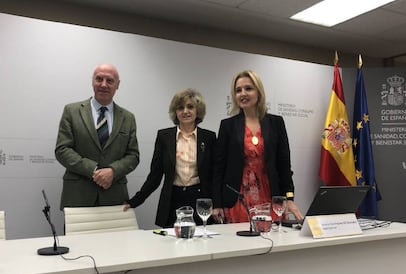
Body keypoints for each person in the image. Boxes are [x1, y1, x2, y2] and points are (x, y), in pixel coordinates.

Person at [212, 69, 303, 224]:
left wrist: (289, 198)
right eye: (238, 90)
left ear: (258, 92)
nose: (243, 94)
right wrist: (217, 204)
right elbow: (218, 169)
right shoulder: (228, 126)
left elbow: (284, 165)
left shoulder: (276, 123)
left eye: (248, 88)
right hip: (238, 198)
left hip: (270, 196)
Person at [124, 88, 216, 228]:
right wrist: (135, 201)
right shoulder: (164, 137)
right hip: (173, 199)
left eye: (190, 107)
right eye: (180, 108)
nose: (185, 111)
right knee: (172, 245)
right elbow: (155, 175)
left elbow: (215, 175)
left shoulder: (209, 137)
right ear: (175, 112)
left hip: (200, 200)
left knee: (201, 243)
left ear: (198, 110)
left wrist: (219, 204)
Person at [55, 63, 140, 209]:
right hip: (78, 195)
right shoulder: (72, 111)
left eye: (110, 80)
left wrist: (113, 171)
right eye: (99, 79)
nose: (104, 84)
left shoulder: (128, 117)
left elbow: (133, 155)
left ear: (117, 85)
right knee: (78, 233)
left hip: (114, 195)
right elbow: (62, 150)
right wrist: (94, 171)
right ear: (92, 81)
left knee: (114, 233)